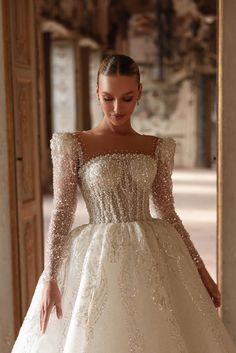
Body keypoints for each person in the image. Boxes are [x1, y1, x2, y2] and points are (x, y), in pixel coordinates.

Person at [11, 54, 236, 353]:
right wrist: (51, 276)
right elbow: (62, 211)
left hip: (152, 251)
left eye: (127, 98)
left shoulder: (155, 147)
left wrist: (201, 270)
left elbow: (167, 211)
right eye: (108, 98)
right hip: (96, 255)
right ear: (96, 91)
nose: (117, 108)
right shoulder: (74, 144)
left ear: (140, 93)